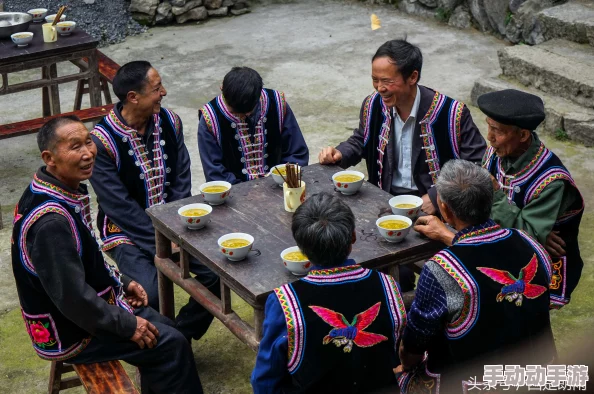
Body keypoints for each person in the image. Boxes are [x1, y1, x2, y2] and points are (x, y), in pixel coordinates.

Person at [11, 116, 202, 393]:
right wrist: (127, 325)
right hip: (71, 329)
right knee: (171, 345)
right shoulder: (51, 223)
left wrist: (121, 283)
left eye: (89, 142)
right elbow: (73, 299)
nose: (88, 153)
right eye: (75, 147)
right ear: (49, 157)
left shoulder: (53, 188)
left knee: (169, 330)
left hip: (83, 308)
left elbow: (83, 261)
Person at [318, 39, 485, 293]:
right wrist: (339, 153)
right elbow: (361, 140)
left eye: (387, 81)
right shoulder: (373, 104)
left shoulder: (452, 113)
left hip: (437, 211)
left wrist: (435, 196)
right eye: (375, 80)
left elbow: (475, 165)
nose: (380, 88)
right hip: (384, 203)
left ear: (412, 77)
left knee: (411, 271)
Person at [415, 89, 584, 309]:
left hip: (535, 265)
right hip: (502, 245)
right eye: (489, 126)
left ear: (523, 135)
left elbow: (527, 240)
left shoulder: (551, 180)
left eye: (497, 130)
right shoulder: (498, 151)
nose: (489, 136)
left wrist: (495, 194)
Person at [397, 160, 556, 393]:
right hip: (541, 375)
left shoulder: (440, 270)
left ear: (445, 209)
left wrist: (404, 363)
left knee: (393, 376)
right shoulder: (531, 244)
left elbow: (413, 350)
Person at [89, 61, 220, 341]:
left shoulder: (170, 121)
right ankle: (165, 349)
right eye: (157, 88)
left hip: (174, 223)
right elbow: (118, 206)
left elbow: (182, 176)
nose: (164, 92)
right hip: (125, 232)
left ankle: (180, 335)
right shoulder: (101, 142)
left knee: (219, 274)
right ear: (133, 97)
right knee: (150, 294)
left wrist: (174, 227)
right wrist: (160, 240)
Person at [251, 193, 407, 393]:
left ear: (301, 248)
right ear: (353, 236)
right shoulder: (389, 288)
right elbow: (397, 353)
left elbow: (265, 382)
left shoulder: (285, 303)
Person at [198, 66, 309, 184]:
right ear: (221, 88)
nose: (242, 116)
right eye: (234, 112)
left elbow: (297, 153)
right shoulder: (209, 118)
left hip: (279, 184)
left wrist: (279, 181)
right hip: (234, 194)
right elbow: (214, 172)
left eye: (246, 112)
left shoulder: (277, 104)